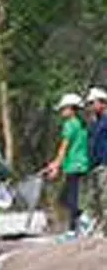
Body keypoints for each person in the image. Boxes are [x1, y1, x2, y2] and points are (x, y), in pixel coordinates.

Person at [45, 93, 92, 238]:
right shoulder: (81, 124)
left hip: (73, 165)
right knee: (68, 198)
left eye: (64, 108)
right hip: (81, 164)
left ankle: (75, 227)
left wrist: (55, 166)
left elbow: (64, 148)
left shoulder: (69, 125)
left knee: (70, 199)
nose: (62, 111)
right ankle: (79, 223)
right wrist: (56, 163)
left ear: (72, 109)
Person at [85, 87, 107, 233]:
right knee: (96, 197)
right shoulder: (94, 123)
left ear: (103, 103)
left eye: (93, 103)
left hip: (105, 163)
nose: (91, 106)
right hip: (95, 164)